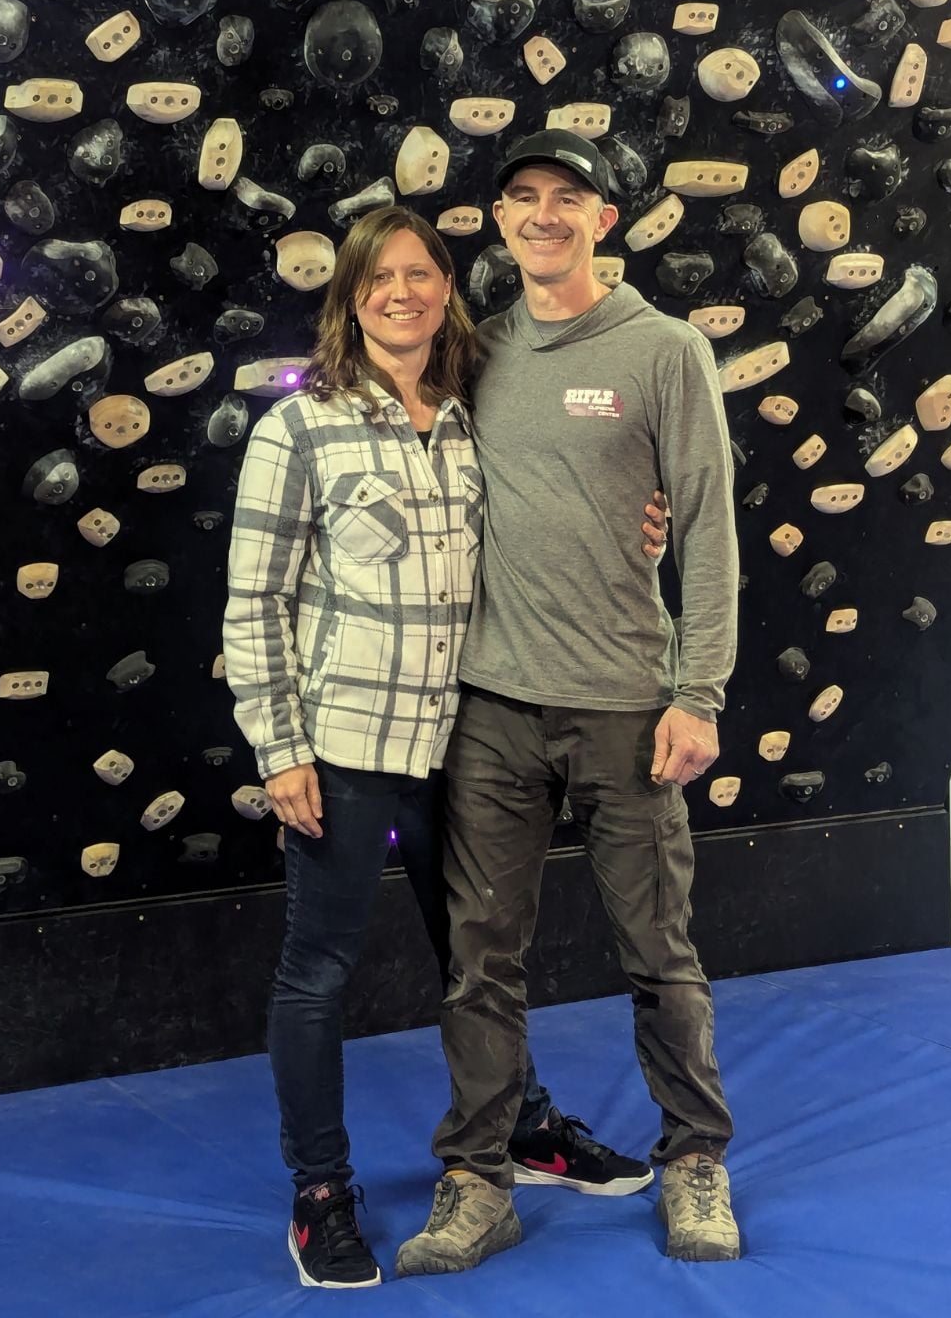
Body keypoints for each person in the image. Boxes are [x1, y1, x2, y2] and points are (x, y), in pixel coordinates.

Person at [223, 205, 667, 1291]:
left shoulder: (474, 417)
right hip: (343, 747)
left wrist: (638, 523)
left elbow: (558, 507)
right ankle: (319, 1193)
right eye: (380, 278)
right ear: (350, 297)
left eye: (422, 275)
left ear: (446, 294)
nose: (403, 293)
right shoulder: (301, 427)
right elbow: (253, 603)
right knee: (315, 975)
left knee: (477, 964)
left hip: (462, 743)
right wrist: (280, 749)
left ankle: (518, 1126)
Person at [396, 130, 742, 1279]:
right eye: (522, 197)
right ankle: (476, 1180)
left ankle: (694, 1159)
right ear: (499, 220)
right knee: (478, 960)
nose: (542, 215)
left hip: (627, 711)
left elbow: (703, 529)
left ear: (605, 218)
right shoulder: (476, 352)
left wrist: (695, 692)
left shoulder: (665, 351)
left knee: (658, 951)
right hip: (490, 709)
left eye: (567, 198)